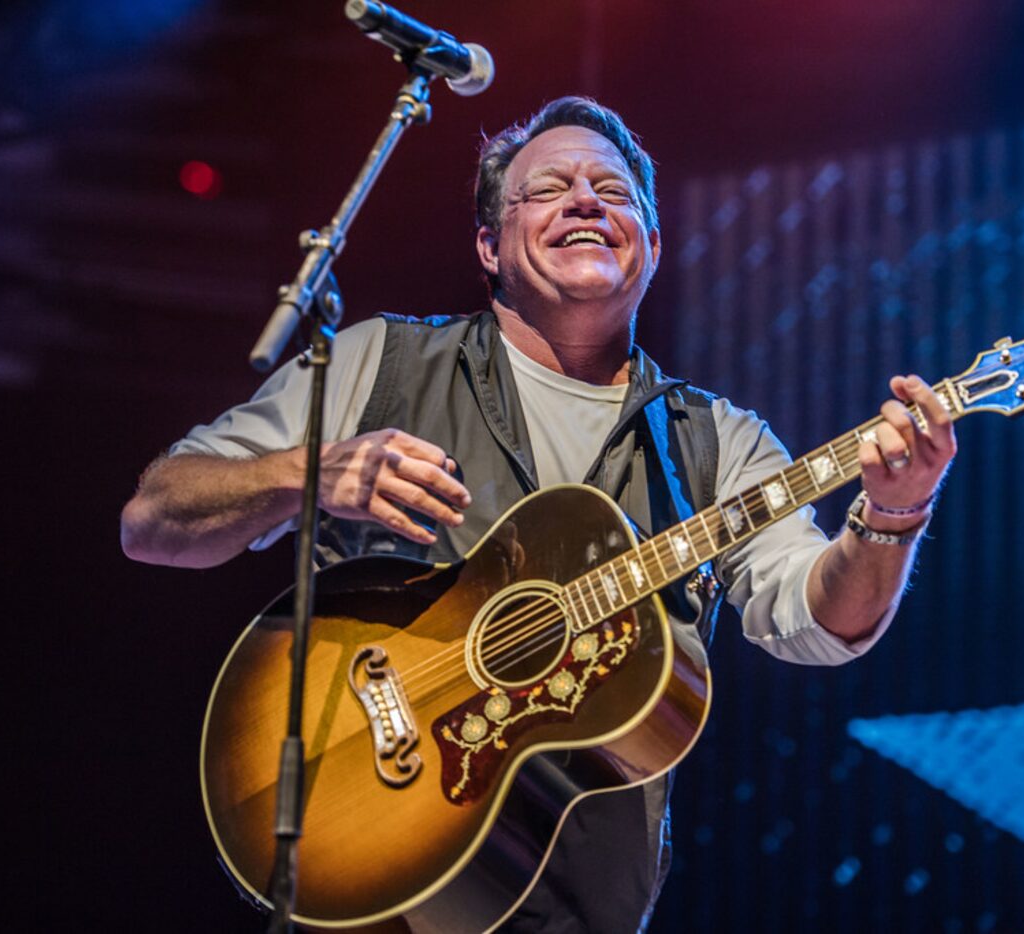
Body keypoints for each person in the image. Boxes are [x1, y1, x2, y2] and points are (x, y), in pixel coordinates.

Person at [121, 97, 956, 932]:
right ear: (489, 245)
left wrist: (892, 512)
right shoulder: (377, 363)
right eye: (549, 187)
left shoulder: (718, 443)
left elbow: (819, 621)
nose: (587, 201)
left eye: (614, 190)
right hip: (361, 873)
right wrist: (311, 471)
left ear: (653, 246)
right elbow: (154, 519)